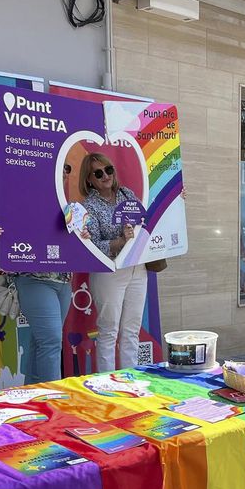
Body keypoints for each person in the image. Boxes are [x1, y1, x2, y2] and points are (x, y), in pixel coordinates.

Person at [78, 152, 145, 372]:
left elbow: (146, 223)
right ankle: (108, 385)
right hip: (109, 271)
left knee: (132, 329)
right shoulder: (89, 206)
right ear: (89, 179)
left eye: (108, 170)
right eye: (98, 173)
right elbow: (93, 247)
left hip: (137, 267)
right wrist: (121, 240)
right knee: (108, 331)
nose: (105, 175)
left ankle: (131, 380)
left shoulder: (128, 195)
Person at [0, 227, 72, 386]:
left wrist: (83, 233)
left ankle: (32, 393)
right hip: (34, 278)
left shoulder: (65, 204)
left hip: (64, 279)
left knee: (40, 340)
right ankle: (52, 398)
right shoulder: (23, 204)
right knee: (51, 341)